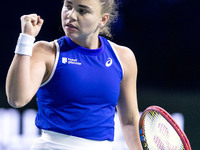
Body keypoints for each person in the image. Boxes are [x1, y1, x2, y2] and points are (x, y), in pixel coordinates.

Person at [6, 0, 143, 149]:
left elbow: (130, 120)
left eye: (82, 11)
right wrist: (26, 39)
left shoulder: (123, 58)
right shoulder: (46, 52)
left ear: (103, 20)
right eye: (68, 6)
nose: (71, 15)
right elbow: (16, 99)